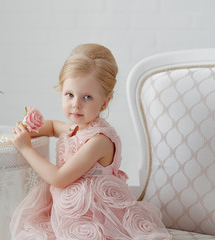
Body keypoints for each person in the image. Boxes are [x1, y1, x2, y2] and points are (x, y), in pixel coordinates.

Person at [10, 43, 171, 239]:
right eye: (69, 95)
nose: (75, 104)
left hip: (95, 218)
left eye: (87, 97)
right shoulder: (74, 128)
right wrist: (28, 129)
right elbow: (52, 126)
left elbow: (59, 179)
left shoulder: (99, 140)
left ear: (105, 102)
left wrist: (26, 147)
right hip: (67, 211)